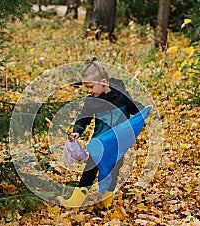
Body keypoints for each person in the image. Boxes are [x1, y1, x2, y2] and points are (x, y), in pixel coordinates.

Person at [57, 56, 144, 208]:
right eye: (87, 88)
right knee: (90, 170)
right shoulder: (92, 101)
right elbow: (83, 118)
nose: (89, 91)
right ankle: (76, 200)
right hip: (99, 141)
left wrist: (144, 112)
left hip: (118, 143)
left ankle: (107, 197)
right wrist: (77, 131)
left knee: (114, 169)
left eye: (91, 87)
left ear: (103, 82)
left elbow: (135, 109)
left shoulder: (121, 96)